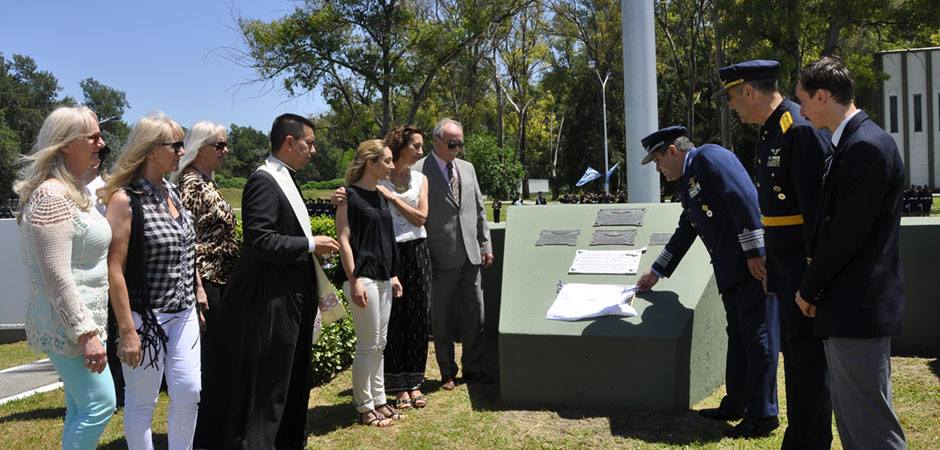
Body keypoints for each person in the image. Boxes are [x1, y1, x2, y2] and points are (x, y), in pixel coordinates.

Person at [197, 113, 339, 448]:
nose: (314, 150)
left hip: (294, 293)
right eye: (310, 143)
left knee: (292, 377)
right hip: (272, 297)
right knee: (272, 382)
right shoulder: (263, 180)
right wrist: (309, 244)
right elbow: (261, 241)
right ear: (289, 142)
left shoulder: (287, 178)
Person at [636, 126, 779, 438]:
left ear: (672, 151)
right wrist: (656, 272)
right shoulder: (689, 182)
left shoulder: (711, 159)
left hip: (750, 268)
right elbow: (687, 229)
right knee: (740, 338)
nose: (659, 169)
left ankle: (764, 413)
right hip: (731, 272)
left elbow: (745, 200)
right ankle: (737, 403)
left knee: (759, 338)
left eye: (659, 161)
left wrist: (757, 253)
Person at [717, 59, 832, 447]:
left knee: (808, 364)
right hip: (786, 267)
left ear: (749, 91)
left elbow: (818, 215)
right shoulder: (772, 131)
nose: (732, 106)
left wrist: (813, 280)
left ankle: (808, 440)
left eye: (733, 97)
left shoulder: (796, 130)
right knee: (796, 360)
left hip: (803, 269)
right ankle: (800, 436)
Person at [794, 57, 906, 450]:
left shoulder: (866, 148)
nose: (802, 111)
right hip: (846, 307)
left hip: (857, 306)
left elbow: (845, 236)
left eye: (804, 100)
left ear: (823, 96)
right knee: (854, 425)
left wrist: (808, 288)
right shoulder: (851, 144)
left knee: (872, 428)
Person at [102, 111, 205, 450]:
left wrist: (198, 290)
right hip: (145, 316)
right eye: (176, 143)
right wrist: (127, 330)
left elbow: (187, 249)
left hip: (184, 311)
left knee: (189, 391)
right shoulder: (125, 200)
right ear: (150, 149)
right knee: (142, 400)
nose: (182, 150)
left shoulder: (173, 193)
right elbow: (114, 268)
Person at [15, 106, 116, 449]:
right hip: (70, 326)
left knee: (80, 407)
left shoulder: (74, 192)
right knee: (100, 403)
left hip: (79, 322)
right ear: (65, 145)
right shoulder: (52, 197)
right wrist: (86, 334)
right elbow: (56, 276)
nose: (101, 143)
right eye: (92, 136)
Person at [170, 121, 240, 442]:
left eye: (226, 145)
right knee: (211, 364)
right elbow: (187, 240)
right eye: (220, 146)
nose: (226, 151)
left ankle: (218, 431)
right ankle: (207, 437)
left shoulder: (207, 182)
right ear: (201, 148)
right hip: (207, 284)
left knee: (222, 362)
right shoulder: (191, 185)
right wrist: (197, 287)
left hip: (222, 281)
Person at [414, 118, 493, 390]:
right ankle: (447, 371)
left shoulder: (468, 168)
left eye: (460, 142)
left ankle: (473, 367)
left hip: (472, 254)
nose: (457, 147)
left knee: (476, 313)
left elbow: (479, 209)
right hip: (439, 256)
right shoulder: (418, 170)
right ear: (436, 140)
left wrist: (486, 245)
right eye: (452, 142)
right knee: (442, 317)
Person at [336, 138, 405, 426]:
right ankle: (364, 407)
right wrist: (354, 281)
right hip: (362, 278)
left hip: (383, 278)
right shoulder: (347, 196)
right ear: (371, 162)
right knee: (367, 345)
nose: (391, 165)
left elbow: (385, 240)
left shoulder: (381, 194)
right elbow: (343, 239)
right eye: (387, 160)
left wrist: (393, 275)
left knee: (380, 342)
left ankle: (379, 399)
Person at [378, 126, 433, 409]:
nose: (421, 152)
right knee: (396, 318)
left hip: (418, 251)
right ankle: (397, 386)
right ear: (401, 147)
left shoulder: (421, 179)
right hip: (392, 252)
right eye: (417, 146)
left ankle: (415, 382)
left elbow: (421, 218)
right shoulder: (379, 179)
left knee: (419, 318)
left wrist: (394, 199)